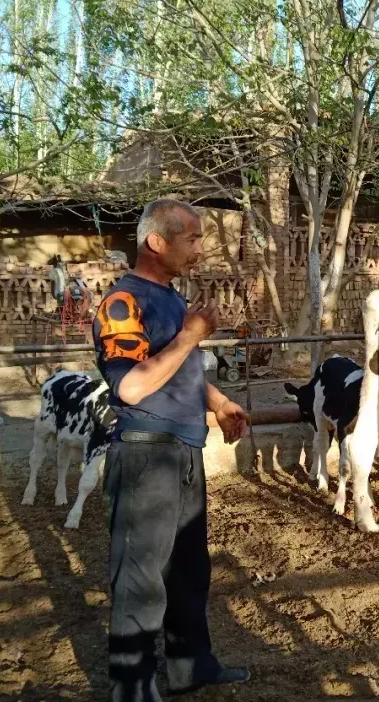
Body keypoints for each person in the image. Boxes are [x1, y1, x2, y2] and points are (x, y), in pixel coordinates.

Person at [93, 199, 251, 701]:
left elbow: (179, 372)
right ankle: (132, 688)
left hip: (183, 452)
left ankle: (190, 667)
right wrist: (190, 337)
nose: (201, 250)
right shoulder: (121, 303)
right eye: (193, 239)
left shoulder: (173, 300)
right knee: (139, 577)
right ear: (156, 243)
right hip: (144, 457)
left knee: (189, 571)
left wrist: (220, 402)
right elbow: (132, 389)